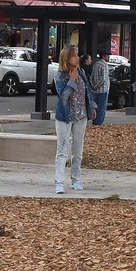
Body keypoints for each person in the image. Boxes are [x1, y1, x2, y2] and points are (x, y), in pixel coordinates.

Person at [52, 46, 91, 193]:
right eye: (74, 56)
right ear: (67, 59)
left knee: (77, 150)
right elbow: (63, 96)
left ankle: (76, 179)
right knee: (62, 150)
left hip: (81, 115)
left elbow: (86, 90)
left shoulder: (81, 72)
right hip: (65, 116)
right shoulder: (60, 76)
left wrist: (91, 105)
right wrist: (72, 81)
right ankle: (59, 182)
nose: (77, 58)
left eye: (77, 55)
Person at [86, 50, 110, 125]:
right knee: (102, 108)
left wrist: (93, 85)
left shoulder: (96, 64)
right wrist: (97, 86)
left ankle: (95, 121)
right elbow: (104, 78)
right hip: (103, 89)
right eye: (107, 55)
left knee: (95, 107)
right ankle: (99, 123)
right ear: (103, 56)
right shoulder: (105, 65)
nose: (108, 57)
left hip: (94, 90)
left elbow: (91, 76)